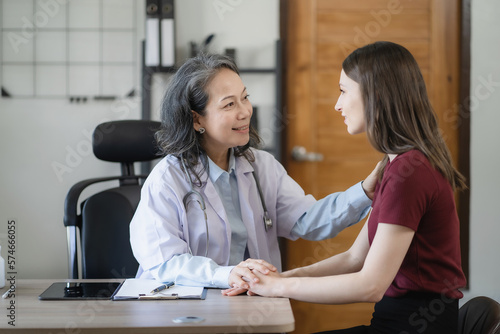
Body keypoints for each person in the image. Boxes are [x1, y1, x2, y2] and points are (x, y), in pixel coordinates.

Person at [231, 41, 467, 334]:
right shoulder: (398, 165)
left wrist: (280, 287)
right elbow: (355, 258)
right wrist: (277, 279)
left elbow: (370, 286)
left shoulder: (410, 173)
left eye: (343, 91)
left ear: (376, 95)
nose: (337, 104)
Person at [129, 53, 379, 292]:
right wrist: (223, 275)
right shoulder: (167, 180)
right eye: (229, 104)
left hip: (250, 300)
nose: (245, 111)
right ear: (197, 120)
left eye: (244, 97)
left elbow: (307, 220)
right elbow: (164, 261)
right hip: (184, 307)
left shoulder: (262, 166)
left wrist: (364, 191)